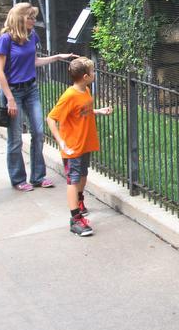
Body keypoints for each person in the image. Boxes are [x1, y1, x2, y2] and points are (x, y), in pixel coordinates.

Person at [0, 2, 76, 191]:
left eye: (34, 17)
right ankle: (18, 179)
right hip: (12, 91)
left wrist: (57, 58)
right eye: (29, 17)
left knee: (38, 133)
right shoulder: (6, 40)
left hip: (31, 89)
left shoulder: (32, 36)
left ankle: (38, 177)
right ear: (19, 18)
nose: (33, 20)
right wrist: (10, 99)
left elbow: (34, 61)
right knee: (15, 138)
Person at [46, 57, 111, 236]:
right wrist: (61, 142)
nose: (94, 73)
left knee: (83, 175)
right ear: (85, 76)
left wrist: (98, 111)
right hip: (73, 147)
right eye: (93, 71)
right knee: (73, 181)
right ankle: (75, 220)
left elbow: (82, 111)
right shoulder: (69, 96)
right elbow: (51, 118)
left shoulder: (86, 90)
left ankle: (79, 202)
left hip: (85, 143)